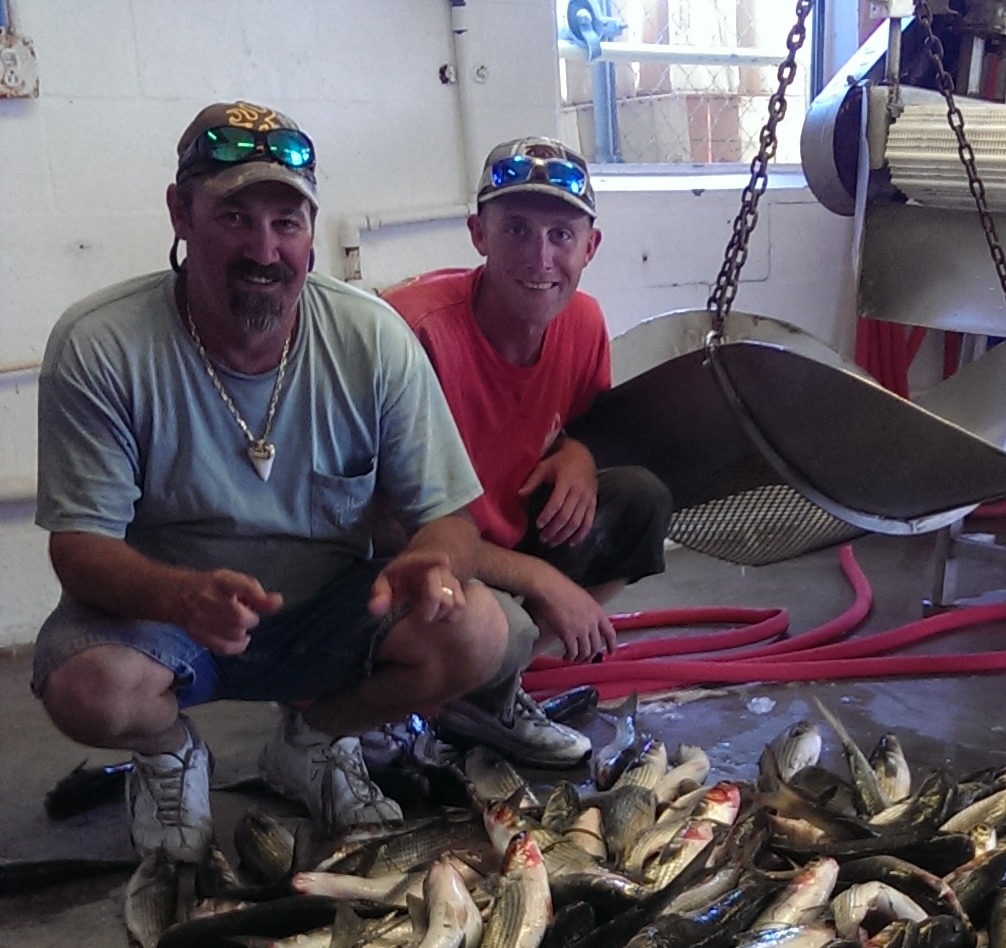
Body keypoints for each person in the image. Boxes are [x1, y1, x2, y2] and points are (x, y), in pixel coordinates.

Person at [30, 100, 538, 864]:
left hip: (327, 618)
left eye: (287, 222)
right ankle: (169, 755)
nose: (264, 249)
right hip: (166, 623)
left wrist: (435, 559)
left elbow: (449, 518)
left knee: (479, 632)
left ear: (310, 229)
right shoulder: (100, 344)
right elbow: (78, 548)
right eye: (235, 217)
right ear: (181, 213)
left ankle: (314, 740)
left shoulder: (371, 338)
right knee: (87, 687)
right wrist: (179, 597)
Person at [382, 137, 673, 767]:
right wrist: (541, 580)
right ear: (477, 234)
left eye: (561, 236)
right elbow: (395, 529)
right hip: (407, 558)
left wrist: (579, 454)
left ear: (589, 247)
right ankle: (394, 700)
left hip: (493, 537)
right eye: (516, 229)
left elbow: (587, 422)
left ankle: (486, 695)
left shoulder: (585, 324)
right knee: (505, 627)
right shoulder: (414, 334)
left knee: (640, 501)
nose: (540, 257)